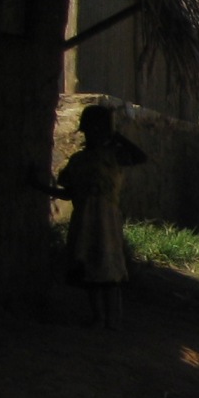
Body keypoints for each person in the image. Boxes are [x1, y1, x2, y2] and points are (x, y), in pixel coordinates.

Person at [53, 103, 147, 330]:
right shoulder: (79, 161)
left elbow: (140, 157)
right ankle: (100, 318)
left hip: (107, 221)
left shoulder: (114, 156)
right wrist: (38, 186)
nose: (94, 134)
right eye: (91, 130)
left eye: (100, 130)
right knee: (89, 269)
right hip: (85, 220)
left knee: (110, 270)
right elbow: (68, 192)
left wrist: (116, 136)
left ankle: (112, 319)